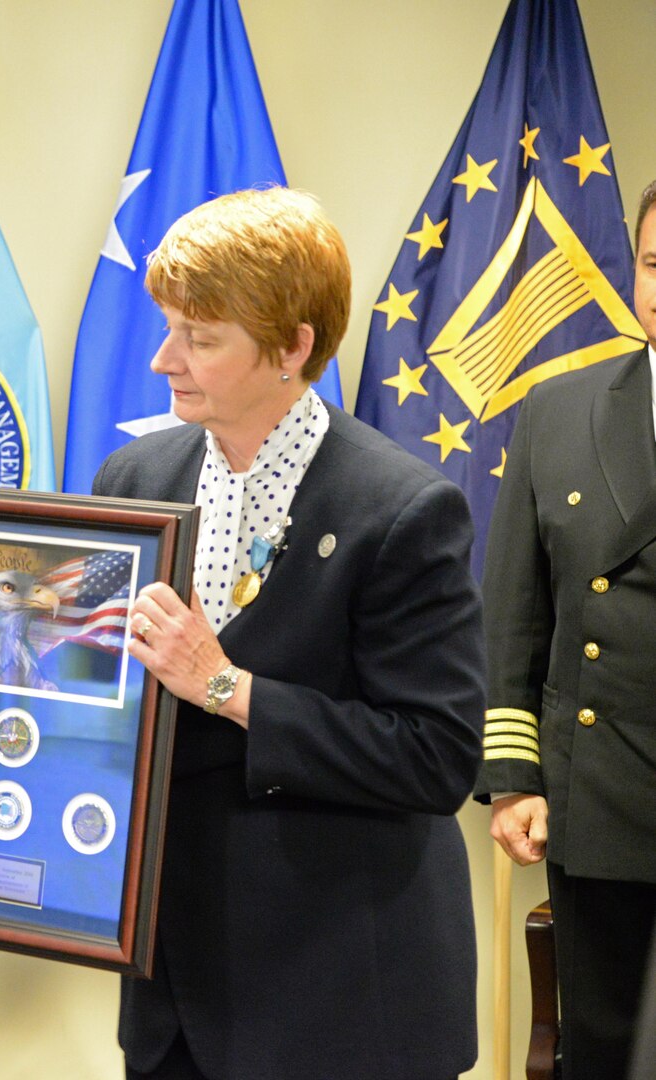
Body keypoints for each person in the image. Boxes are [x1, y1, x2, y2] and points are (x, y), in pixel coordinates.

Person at [90, 187, 484, 1080]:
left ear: (292, 347)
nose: (162, 360)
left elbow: (436, 758)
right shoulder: (133, 476)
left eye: (200, 336)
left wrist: (228, 688)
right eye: (168, 327)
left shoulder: (404, 510)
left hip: (343, 994)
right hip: (175, 996)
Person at [477, 178, 656, 1080]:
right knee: (608, 1054)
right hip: (602, 799)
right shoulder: (560, 411)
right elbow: (514, 612)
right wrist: (513, 779)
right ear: (634, 275)